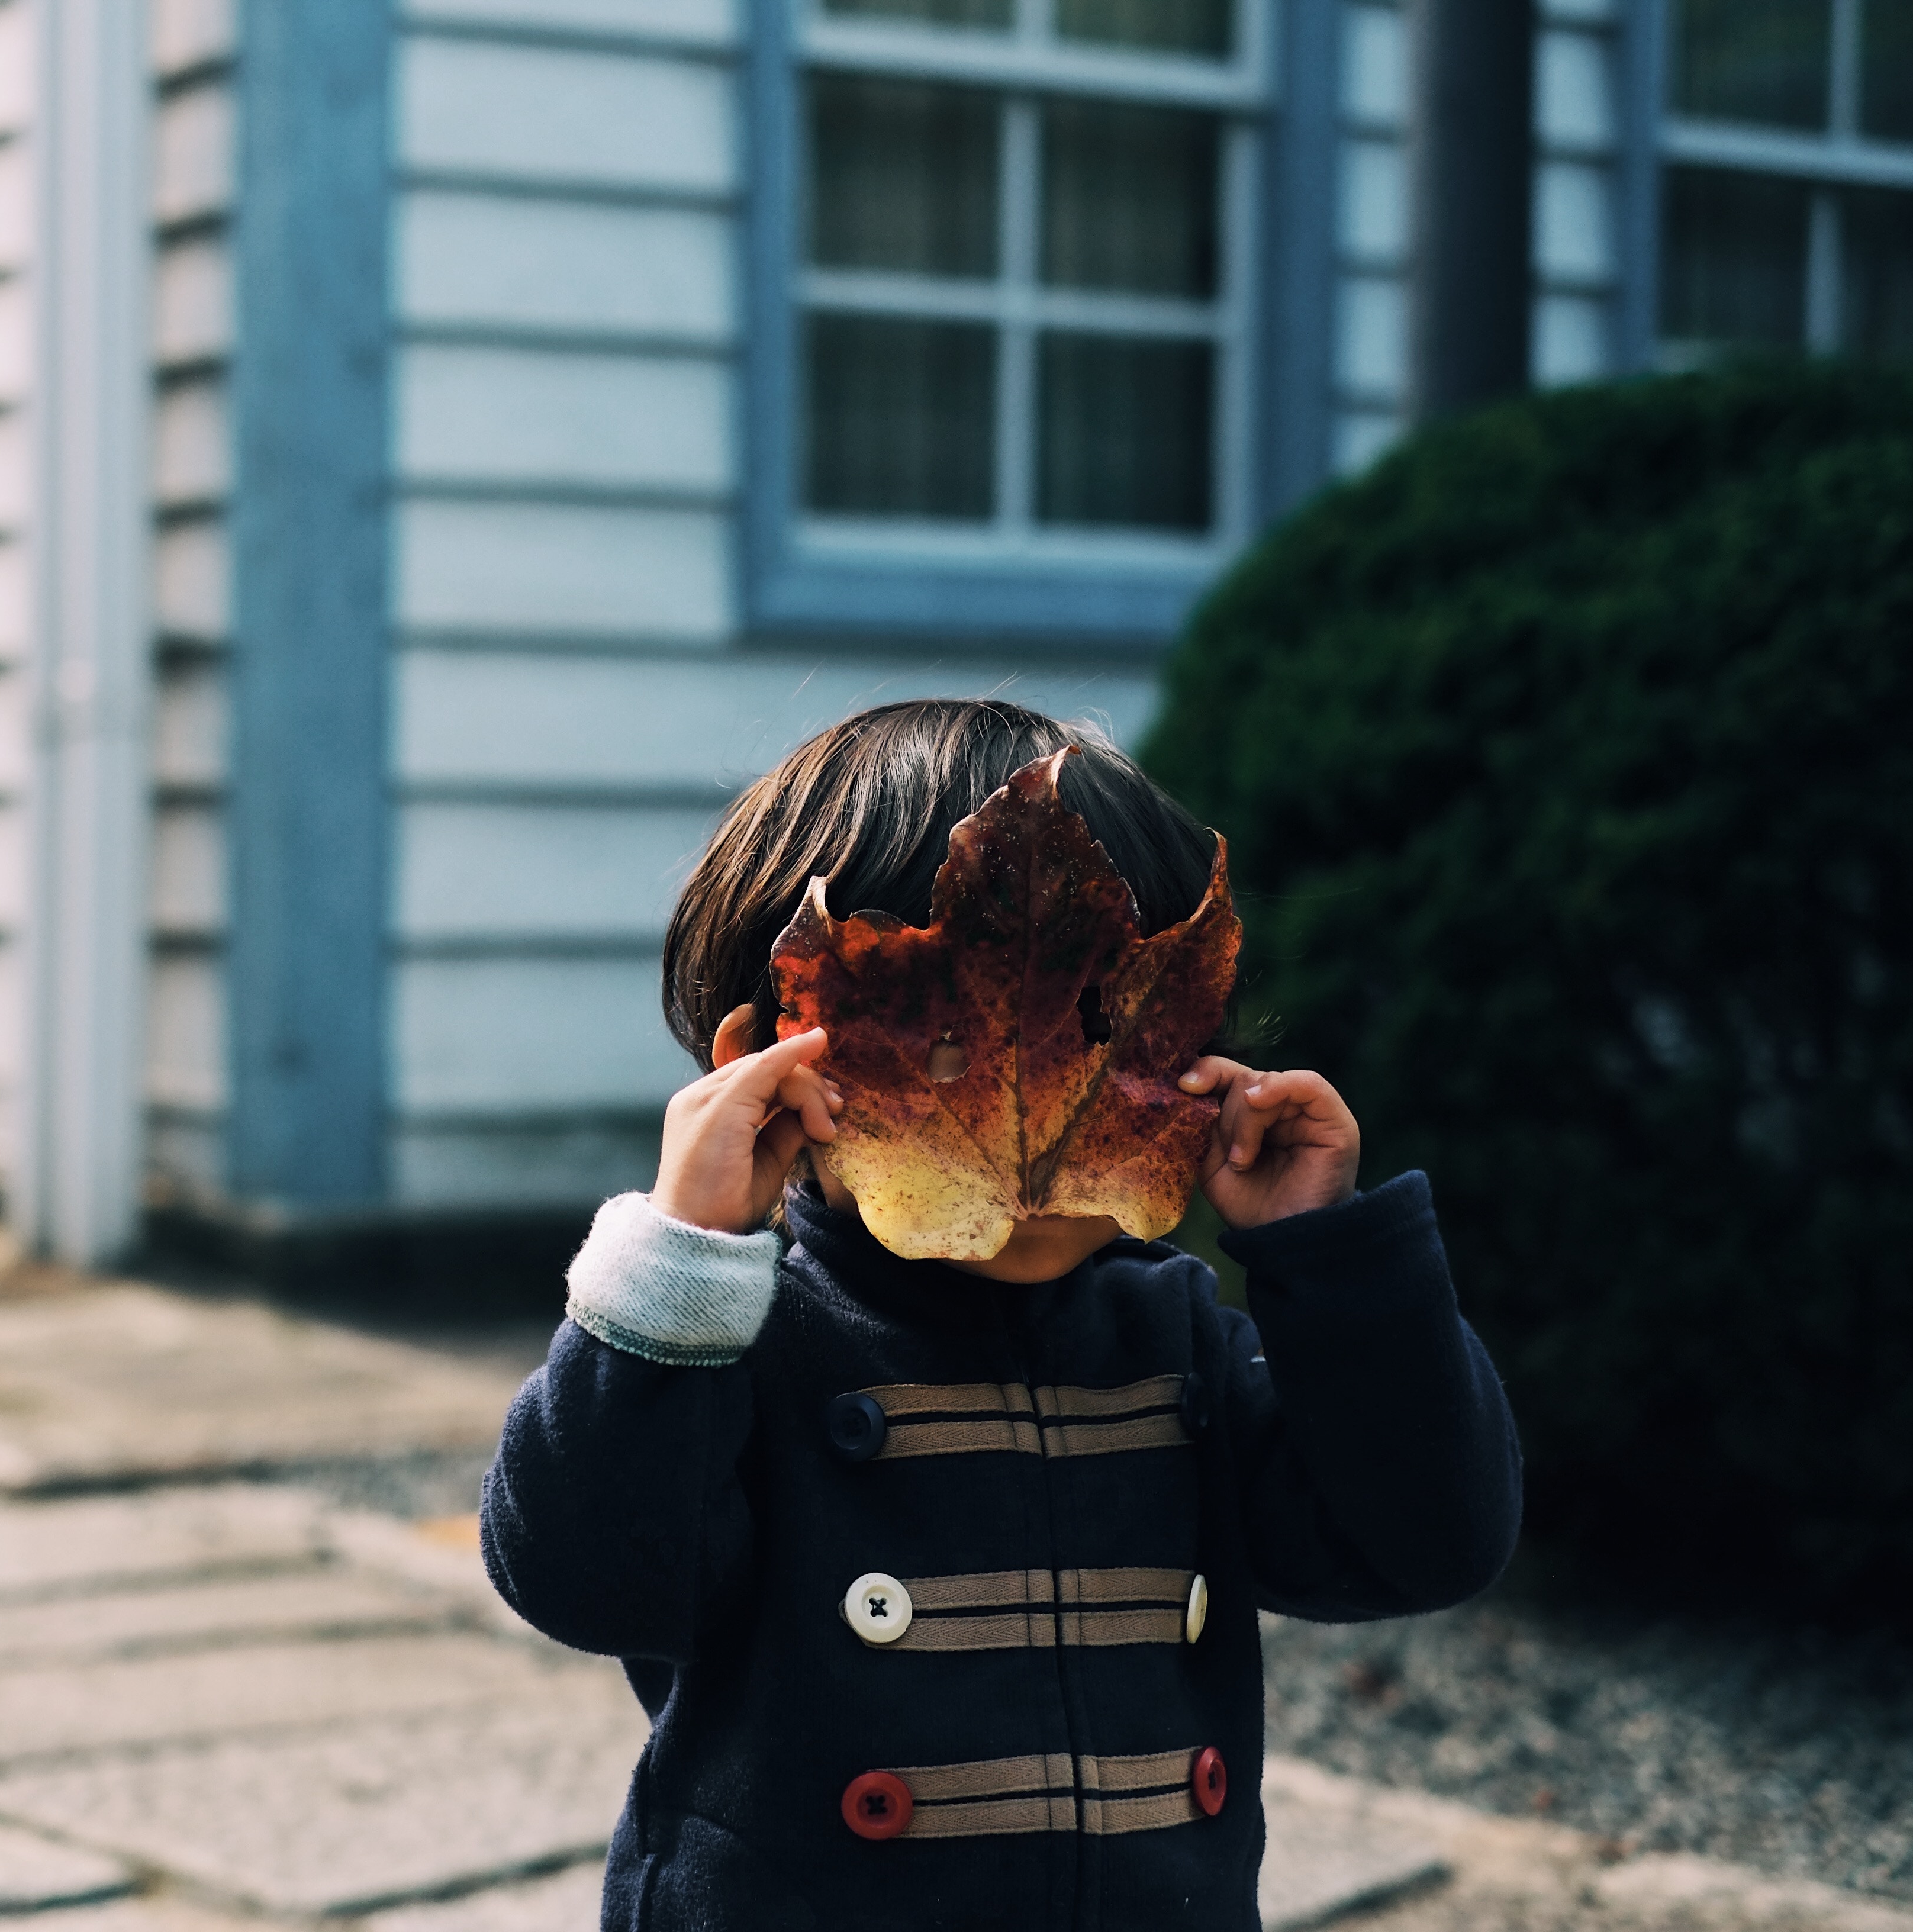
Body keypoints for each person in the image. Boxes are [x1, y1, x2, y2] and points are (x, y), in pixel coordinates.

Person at [481, 698, 1522, 1931]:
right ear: (771, 1067)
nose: (1033, 1106)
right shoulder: (739, 1345)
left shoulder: (1181, 1340)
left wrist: (1326, 1254)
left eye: (1105, 1033)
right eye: (938, 1051)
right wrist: (683, 1260)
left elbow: (1424, 1540)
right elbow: (585, 1579)